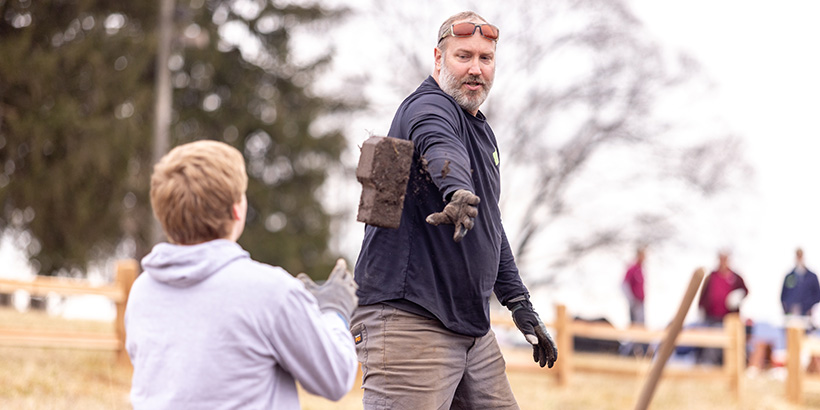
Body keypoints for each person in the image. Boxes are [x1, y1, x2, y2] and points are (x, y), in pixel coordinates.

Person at [352, 11, 557, 409]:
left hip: (470, 328)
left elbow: (490, 229)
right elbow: (438, 142)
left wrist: (520, 305)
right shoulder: (426, 106)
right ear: (438, 58)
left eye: (486, 58)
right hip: (410, 321)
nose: (476, 69)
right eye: (464, 56)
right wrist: (457, 189)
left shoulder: (482, 131)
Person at [125, 140, 358, 409]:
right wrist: (335, 311)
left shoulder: (143, 291)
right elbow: (336, 378)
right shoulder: (270, 291)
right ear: (237, 209)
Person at [695, 250, 748, 364]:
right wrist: (701, 308)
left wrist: (738, 297)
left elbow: (745, 291)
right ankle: (709, 364)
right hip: (712, 317)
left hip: (728, 318)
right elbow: (703, 294)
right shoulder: (712, 276)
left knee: (729, 343)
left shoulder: (735, 277)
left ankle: (728, 364)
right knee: (711, 342)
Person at [781, 247, 820, 317]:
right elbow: (783, 296)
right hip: (792, 315)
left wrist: (808, 308)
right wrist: (789, 308)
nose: (799, 258)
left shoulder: (812, 277)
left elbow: (817, 296)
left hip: (807, 315)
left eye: (800, 256)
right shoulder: (789, 276)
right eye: (797, 256)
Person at [622, 246, 647, 326]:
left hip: (641, 302)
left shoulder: (641, 270)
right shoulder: (632, 269)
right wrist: (632, 300)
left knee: (641, 324)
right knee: (636, 324)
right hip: (635, 302)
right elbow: (624, 285)